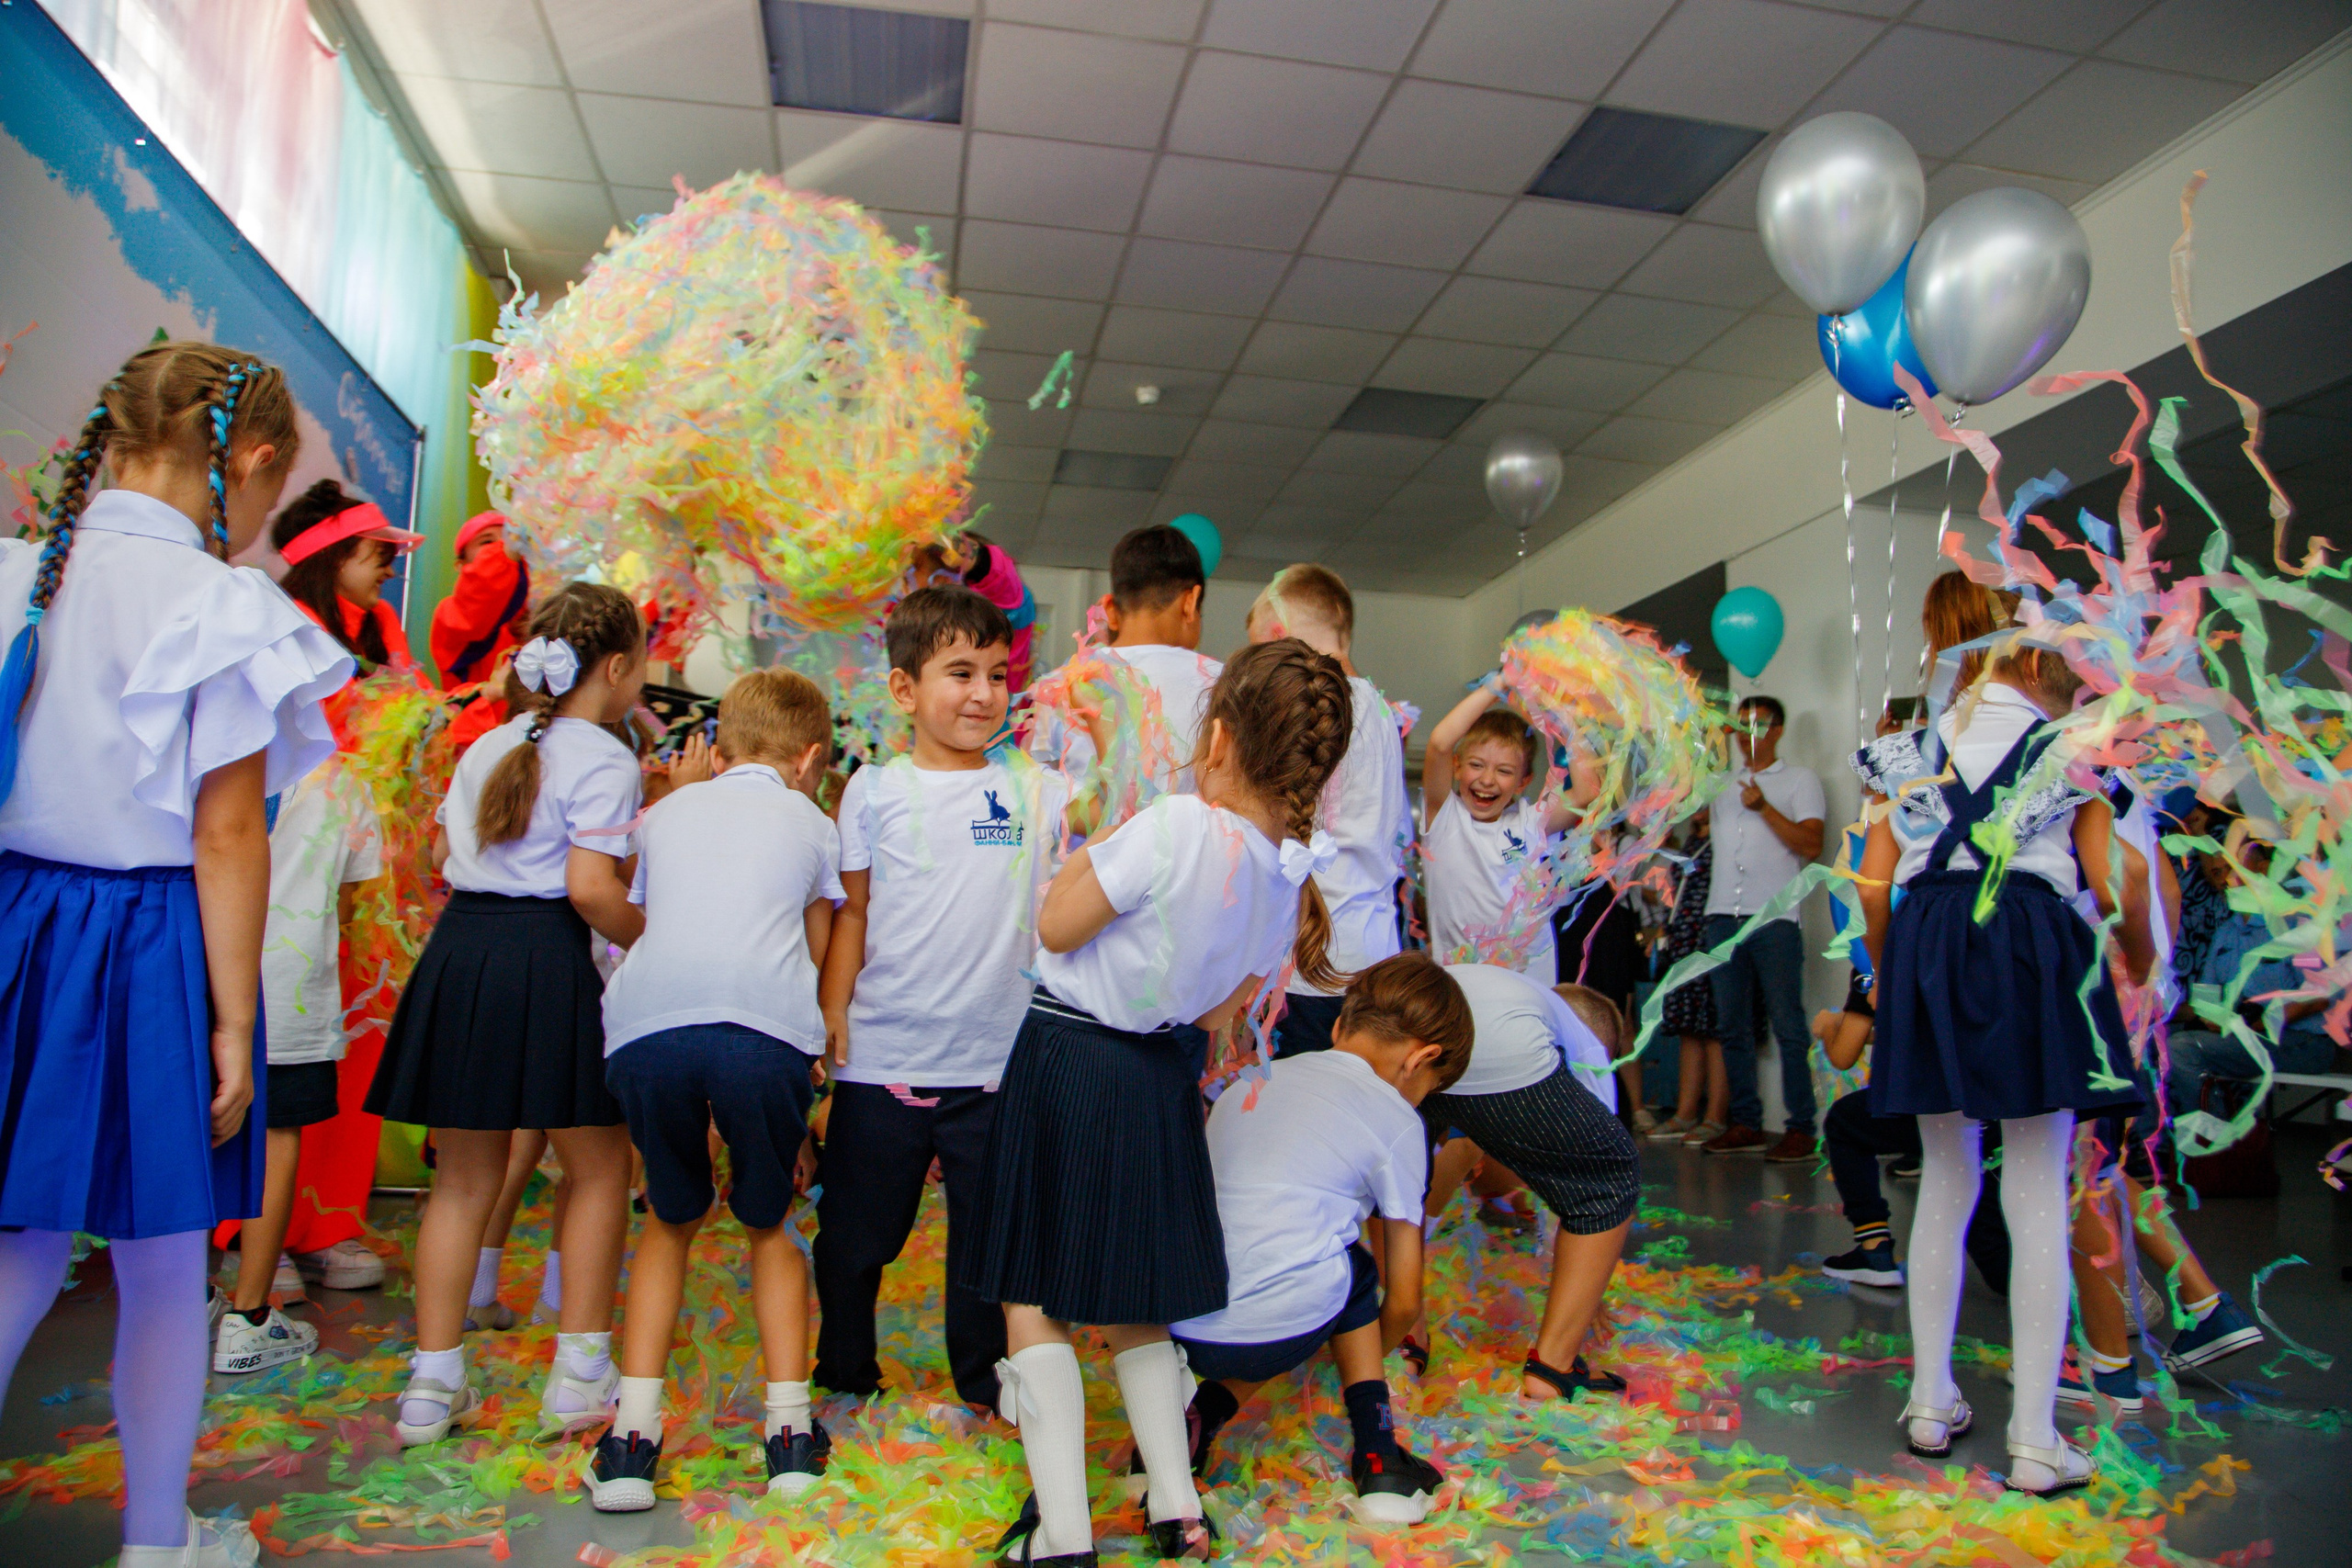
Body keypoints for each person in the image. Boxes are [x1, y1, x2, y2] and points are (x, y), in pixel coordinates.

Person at [0, 342, 351, 1568]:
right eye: (273, 485)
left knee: (18, 1241)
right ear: (245, 460)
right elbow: (228, 830)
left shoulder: (21, 576)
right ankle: (157, 1538)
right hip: (147, 940)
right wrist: (237, 1023)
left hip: (19, 926)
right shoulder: (224, 604)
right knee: (160, 1263)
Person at [964, 638, 1354, 1565]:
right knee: (1140, 1300)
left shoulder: (1177, 824)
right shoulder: (1280, 875)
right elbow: (1223, 1015)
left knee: (1033, 1294)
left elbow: (1058, 923)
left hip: (1070, 1056)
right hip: (1159, 1079)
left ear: (1216, 738)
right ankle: (1176, 1508)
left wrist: (1092, 844)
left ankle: (1062, 1534)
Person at [1857, 643, 2152, 1495]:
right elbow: (2113, 884)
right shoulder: (2075, 747)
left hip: (1927, 935)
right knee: (2033, 1184)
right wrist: (2139, 960)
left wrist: (1891, 974)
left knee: (1944, 1178)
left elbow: (1874, 890)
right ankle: (2033, 1438)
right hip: (2027, 933)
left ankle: (1928, 1400)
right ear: (2055, 693)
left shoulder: (1901, 751)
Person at [367, 582, 648, 1446]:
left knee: (462, 1180)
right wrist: (652, 939)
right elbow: (592, 890)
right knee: (598, 1167)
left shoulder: (487, 746)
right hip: (547, 958)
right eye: (641, 664)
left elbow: (455, 853)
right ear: (614, 667)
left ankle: (430, 1382)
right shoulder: (608, 758)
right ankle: (577, 1375)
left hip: (463, 954)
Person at [586, 668, 842, 1509]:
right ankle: (790, 1433)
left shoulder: (665, 811)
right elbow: (810, 948)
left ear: (720, 747)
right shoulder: (813, 822)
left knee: (669, 1217)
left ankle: (631, 1436)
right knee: (768, 1225)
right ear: (808, 759)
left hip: (645, 1032)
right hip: (761, 1033)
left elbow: (660, 918)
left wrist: (677, 795)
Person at [813, 587, 1066, 1418]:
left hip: (997, 1063)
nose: (983, 693)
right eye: (960, 672)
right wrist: (833, 1011)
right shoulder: (874, 791)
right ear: (903, 688)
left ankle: (984, 1381)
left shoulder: (1040, 791)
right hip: (883, 1055)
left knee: (984, 1243)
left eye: (997, 674)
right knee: (858, 1236)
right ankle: (845, 1366)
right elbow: (853, 911)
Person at [1166, 954, 1471, 1524]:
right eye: (1434, 1085)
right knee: (1351, 1270)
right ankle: (1379, 1457)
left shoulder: (1250, 1081)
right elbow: (1405, 1300)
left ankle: (1181, 1429)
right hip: (1281, 1324)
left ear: (1337, 1027)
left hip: (1179, 1320)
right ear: (1423, 1059)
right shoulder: (1400, 1121)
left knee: (1286, 1265)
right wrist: (1347, 1360)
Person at [1430, 966, 1641, 1401]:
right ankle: (1553, 1369)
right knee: (1610, 1180)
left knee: (1398, 1177)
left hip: (1418, 1019)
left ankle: (1403, 1333)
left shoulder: (1521, 995)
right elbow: (1585, 1195)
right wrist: (1587, 1294)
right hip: (1499, 1054)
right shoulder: (1587, 1052)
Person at [1247, 566, 1411, 1060]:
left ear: (1279, 633)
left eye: (1261, 649)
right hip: (1374, 959)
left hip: (1308, 970)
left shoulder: (1310, 705)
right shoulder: (1382, 711)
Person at [1813, 982, 2011, 1292]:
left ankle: (1873, 1248)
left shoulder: (1874, 965)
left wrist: (1828, 1026)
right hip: (1996, 1105)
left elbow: (1842, 1056)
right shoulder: (1982, 941)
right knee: (2004, 1262)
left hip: (1931, 1105)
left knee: (1844, 1122)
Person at [1702, 695, 1826, 1162]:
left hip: (1774, 918)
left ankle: (1800, 1128)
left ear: (1777, 731)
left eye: (1758, 725)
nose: (1747, 734)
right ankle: (1745, 1123)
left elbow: (1811, 844)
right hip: (1721, 917)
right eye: (1740, 725)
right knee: (1731, 1027)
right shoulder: (1719, 785)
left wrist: (1763, 808)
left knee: (1788, 1025)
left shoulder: (1799, 781)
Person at [1028, 523, 1221, 804]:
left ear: (1110, 610)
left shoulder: (1059, 684)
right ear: (1190, 602)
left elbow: (1038, 794)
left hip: (1091, 846)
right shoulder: (1224, 683)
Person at [1420, 679, 1576, 981]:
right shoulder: (1443, 816)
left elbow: (1585, 793)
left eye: (1504, 771)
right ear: (1457, 766)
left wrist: (1562, 716)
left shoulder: (1530, 822)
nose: (1487, 780)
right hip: (1459, 985)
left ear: (1523, 781)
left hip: (1526, 985)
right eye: (1476, 765)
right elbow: (1439, 742)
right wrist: (1502, 682)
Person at [1651, 817, 1727, 1145]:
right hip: (1683, 940)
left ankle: (1716, 1116)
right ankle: (1685, 1113)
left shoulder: (1723, 839)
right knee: (1688, 1027)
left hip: (1709, 938)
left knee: (1714, 1027)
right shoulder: (1691, 843)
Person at [431, 512, 528, 753]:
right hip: (473, 750)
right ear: (460, 565)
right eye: (487, 542)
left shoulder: (531, 615)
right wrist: (505, 555)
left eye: (507, 539)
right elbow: (476, 606)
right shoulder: (449, 614)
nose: (502, 546)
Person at [912, 531, 1038, 693]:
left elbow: (998, 577)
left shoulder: (1002, 614)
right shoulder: (919, 630)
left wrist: (924, 531)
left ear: (940, 580)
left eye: (908, 576)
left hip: (1005, 710)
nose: (902, 587)